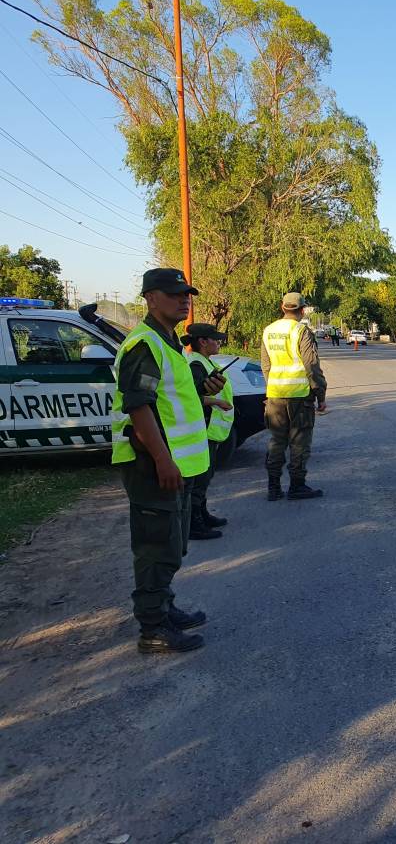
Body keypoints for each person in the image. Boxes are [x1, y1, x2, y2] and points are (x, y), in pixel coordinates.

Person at [112, 268, 219, 654]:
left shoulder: (169, 342)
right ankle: (153, 629)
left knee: (172, 546)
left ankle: (165, 608)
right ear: (150, 298)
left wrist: (205, 389)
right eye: (174, 294)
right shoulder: (143, 344)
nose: (183, 300)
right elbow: (138, 407)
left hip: (175, 464)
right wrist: (162, 459)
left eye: (186, 293)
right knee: (156, 548)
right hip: (151, 465)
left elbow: (171, 399)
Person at [262, 292, 328, 501]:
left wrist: (272, 387)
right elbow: (311, 365)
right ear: (301, 310)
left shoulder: (268, 331)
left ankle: (273, 488)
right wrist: (320, 393)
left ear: (283, 307)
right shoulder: (301, 330)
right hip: (299, 396)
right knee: (299, 443)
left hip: (275, 396)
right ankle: (297, 486)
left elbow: (266, 365)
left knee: (276, 442)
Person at [182, 323, 236, 540]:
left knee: (206, 475)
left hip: (209, 429)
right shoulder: (196, 364)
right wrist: (216, 401)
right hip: (202, 428)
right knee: (200, 478)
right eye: (214, 339)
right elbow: (191, 397)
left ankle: (202, 514)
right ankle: (194, 523)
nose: (218, 342)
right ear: (202, 342)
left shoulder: (204, 362)